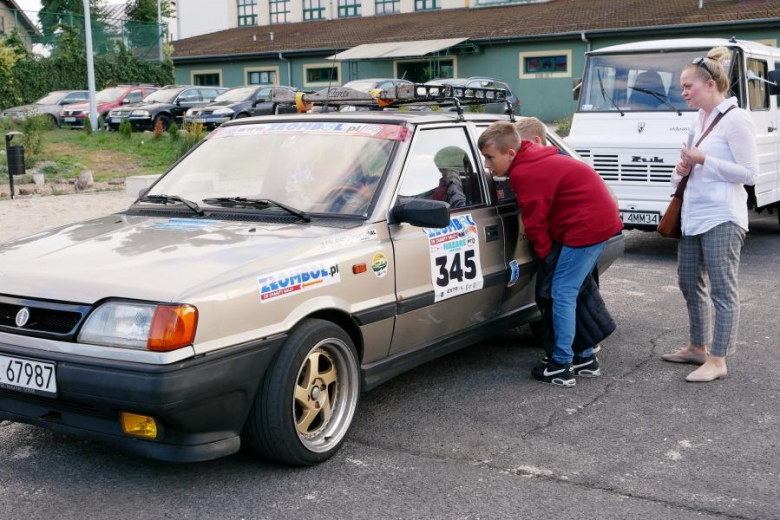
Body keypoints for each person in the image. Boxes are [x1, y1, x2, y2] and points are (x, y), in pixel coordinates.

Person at [478, 122, 622, 387]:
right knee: (573, 291)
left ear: (510, 153)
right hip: (598, 221)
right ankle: (584, 359)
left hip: (586, 228)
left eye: (490, 157)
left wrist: (546, 255)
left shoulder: (524, 172)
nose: (487, 165)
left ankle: (560, 364)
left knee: (563, 293)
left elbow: (534, 222)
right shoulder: (531, 154)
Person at [661, 47, 758, 382]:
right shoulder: (698, 121)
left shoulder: (736, 118)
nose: (683, 92)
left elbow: (749, 174)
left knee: (722, 289)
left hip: (722, 217)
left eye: (689, 86)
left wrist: (704, 160)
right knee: (688, 282)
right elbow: (686, 171)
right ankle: (698, 347)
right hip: (693, 216)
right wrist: (684, 166)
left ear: (711, 85)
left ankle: (718, 360)